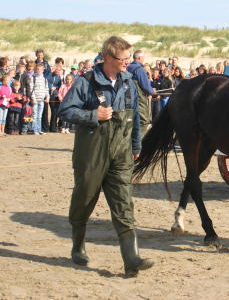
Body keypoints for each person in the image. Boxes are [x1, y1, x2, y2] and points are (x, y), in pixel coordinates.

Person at [59, 36, 154, 276]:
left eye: (130, 58)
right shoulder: (86, 82)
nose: (128, 63)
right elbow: (65, 110)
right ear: (109, 58)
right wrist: (93, 115)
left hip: (121, 153)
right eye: (124, 59)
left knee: (124, 201)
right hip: (92, 152)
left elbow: (134, 117)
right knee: (85, 197)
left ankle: (131, 258)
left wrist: (135, 147)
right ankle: (78, 246)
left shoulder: (129, 82)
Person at [127, 50, 154, 135]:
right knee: (144, 121)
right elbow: (146, 87)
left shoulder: (127, 67)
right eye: (143, 58)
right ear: (140, 58)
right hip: (139, 99)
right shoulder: (139, 69)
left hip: (128, 98)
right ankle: (139, 143)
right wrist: (152, 91)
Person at [30, 63, 50, 135]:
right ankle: (35, 130)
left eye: (41, 69)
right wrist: (33, 98)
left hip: (42, 100)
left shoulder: (44, 79)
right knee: (34, 115)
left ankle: (39, 129)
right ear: (35, 70)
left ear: (43, 70)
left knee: (40, 116)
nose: (39, 71)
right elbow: (31, 89)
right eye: (38, 69)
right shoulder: (33, 78)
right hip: (35, 99)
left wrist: (47, 97)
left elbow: (46, 89)